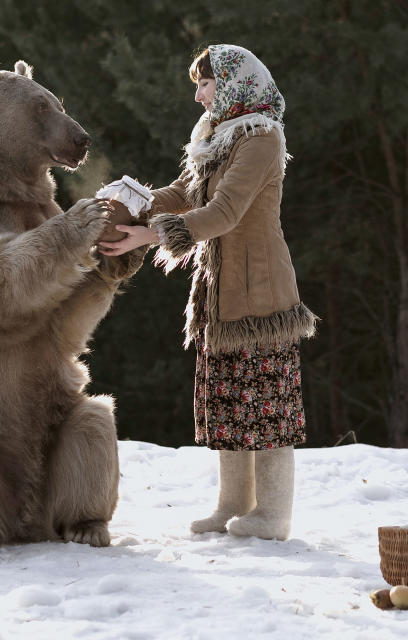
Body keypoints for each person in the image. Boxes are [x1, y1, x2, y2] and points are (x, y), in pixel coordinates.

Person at [98, 44, 317, 541]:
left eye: (204, 83)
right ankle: (234, 505)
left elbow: (224, 212)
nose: (198, 96)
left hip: (260, 292)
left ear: (234, 83)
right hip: (221, 291)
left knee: (266, 405)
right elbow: (183, 195)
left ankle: (273, 516)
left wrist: (148, 235)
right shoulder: (217, 138)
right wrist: (133, 201)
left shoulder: (260, 138)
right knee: (229, 400)